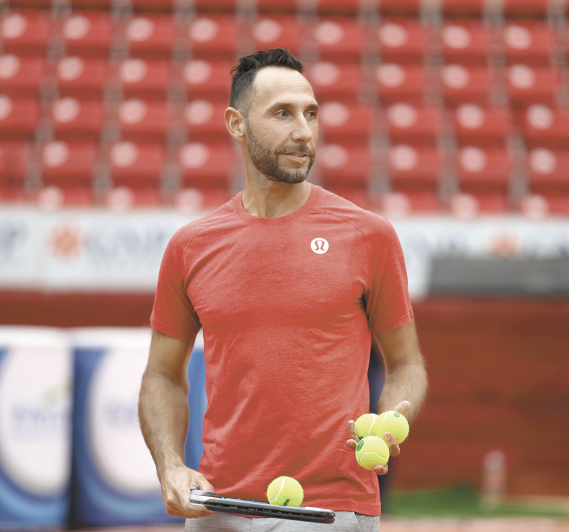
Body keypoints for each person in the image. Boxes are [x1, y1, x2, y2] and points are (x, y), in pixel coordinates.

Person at [139, 48, 428, 532]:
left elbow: (407, 364)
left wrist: (392, 413)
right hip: (218, 508)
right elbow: (162, 378)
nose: (304, 132)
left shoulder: (368, 235)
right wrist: (169, 464)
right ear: (236, 124)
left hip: (330, 509)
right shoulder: (190, 247)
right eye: (283, 114)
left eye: (311, 114)